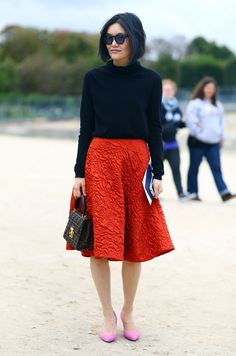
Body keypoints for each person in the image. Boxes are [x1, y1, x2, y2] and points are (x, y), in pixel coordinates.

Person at [68, 12, 174, 343]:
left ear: (134, 40)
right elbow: (86, 127)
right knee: (99, 243)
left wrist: (157, 171)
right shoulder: (93, 78)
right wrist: (79, 173)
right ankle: (106, 313)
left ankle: (128, 311)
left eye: (119, 38)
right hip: (99, 162)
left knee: (134, 244)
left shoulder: (151, 80)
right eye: (108, 38)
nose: (112, 43)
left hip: (136, 162)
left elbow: (155, 127)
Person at [186, 76, 236, 202]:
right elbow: (190, 122)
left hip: (213, 143)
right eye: (207, 87)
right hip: (197, 142)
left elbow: (221, 123)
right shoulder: (195, 103)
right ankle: (193, 193)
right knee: (194, 167)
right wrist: (199, 132)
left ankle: (224, 193)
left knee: (216, 167)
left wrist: (221, 138)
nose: (210, 90)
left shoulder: (218, 105)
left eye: (212, 88)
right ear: (202, 88)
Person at [161, 79, 189, 200]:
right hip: (160, 144)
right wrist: (172, 126)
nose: (167, 92)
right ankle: (152, 193)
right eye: (165, 89)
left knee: (176, 168)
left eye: (170, 89)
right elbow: (156, 126)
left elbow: (178, 124)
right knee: (156, 171)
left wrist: (186, 124)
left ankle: (180, 192)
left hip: (173, 144)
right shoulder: (158, 105)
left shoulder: (176, 107)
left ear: (174, 91)